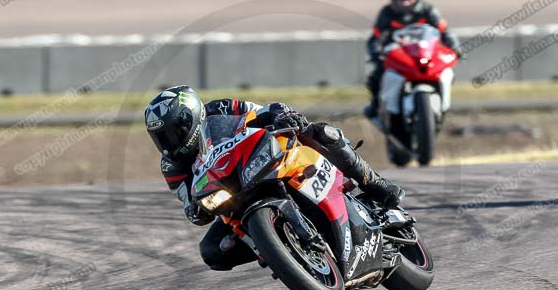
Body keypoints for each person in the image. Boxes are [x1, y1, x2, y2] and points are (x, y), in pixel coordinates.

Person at [145, 85, 405, 271]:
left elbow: (263, 110)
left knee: (322, 132)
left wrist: (281, 116)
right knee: (212, 251)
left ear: (190, 116)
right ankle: (278, 249)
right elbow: (189, 202)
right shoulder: (172, 166)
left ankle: (375, 183)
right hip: (235, 200)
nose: (168, 141)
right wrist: (195, 211)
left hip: (263, 162)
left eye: (173, 131)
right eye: (160, 137)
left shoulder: (220, 109)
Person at [364, 0, 462, 118]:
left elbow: (445, 32)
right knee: (376, 76)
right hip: (398, 55)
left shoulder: (428, 10)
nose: (405, 2)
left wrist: (455, 47)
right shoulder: (386, 13)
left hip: (424, 52)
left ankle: (441, 101)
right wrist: (377, 54)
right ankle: (376, 104)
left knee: (445, 71)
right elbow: (376, 38)